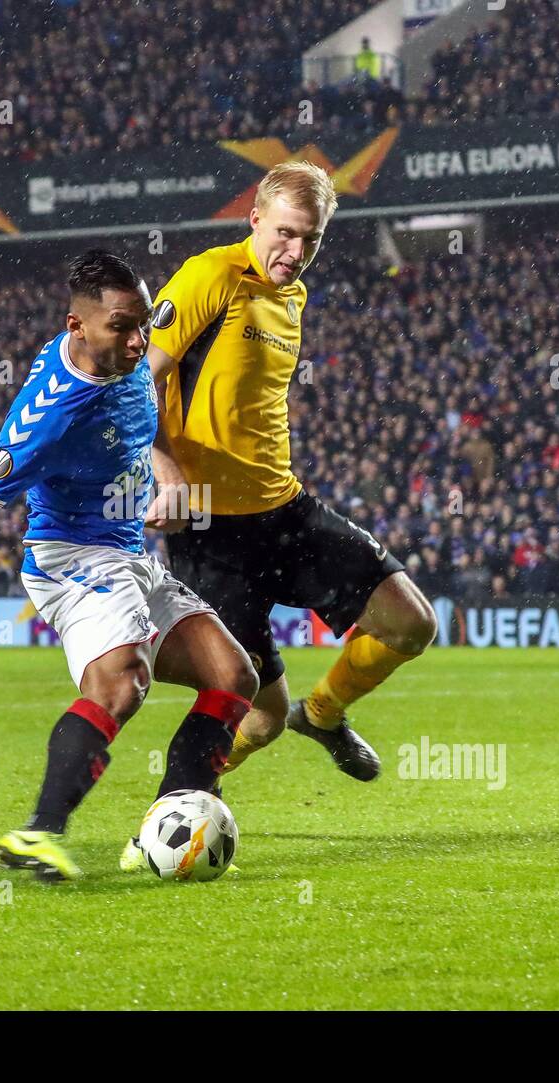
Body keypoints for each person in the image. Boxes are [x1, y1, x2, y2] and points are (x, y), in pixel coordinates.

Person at [0, 250, 258, 882]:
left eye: (144, 323)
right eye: (121, 326)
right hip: (70, 557)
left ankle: (158, 827)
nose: (138, 339)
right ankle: (38, 833)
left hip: (129, 551)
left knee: (234, 676)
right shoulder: (49, 417)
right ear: (77, 327)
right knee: (123, 684)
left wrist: (168, 480)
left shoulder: (126, 359)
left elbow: (141, 426)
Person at [140, 161, 436, 800]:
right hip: (209, 530)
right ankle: (174, 816)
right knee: (256, 715)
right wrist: (162, 466)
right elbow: (137, 380)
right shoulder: (209, 276)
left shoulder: (292, 295)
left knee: (411, 623)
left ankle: (323, 713)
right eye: (285, 233)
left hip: (284, 510)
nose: (296, 252)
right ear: (255, 219)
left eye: (312, 239)